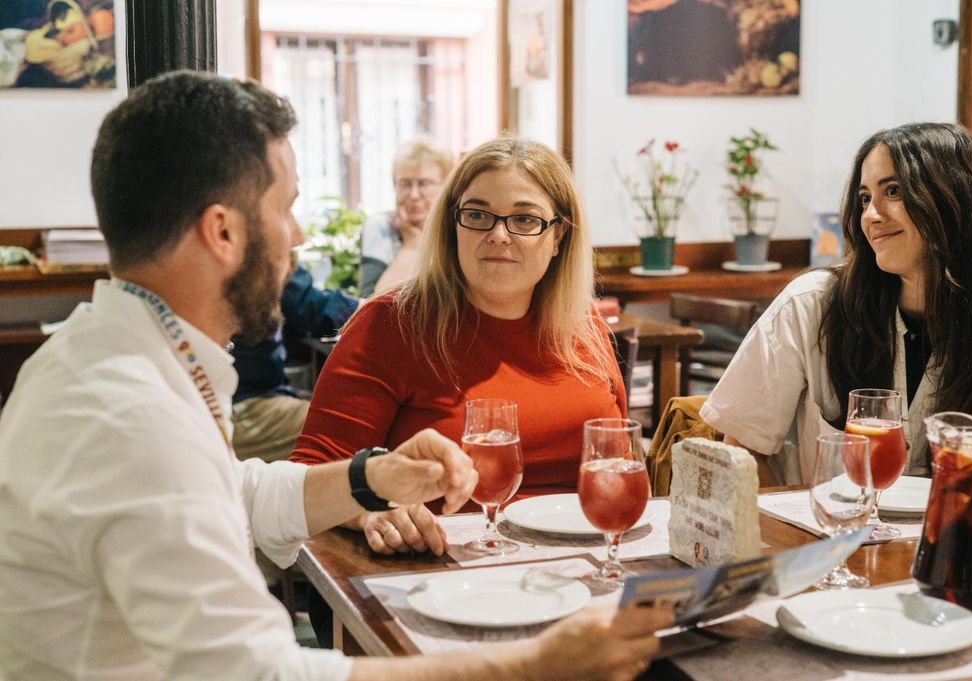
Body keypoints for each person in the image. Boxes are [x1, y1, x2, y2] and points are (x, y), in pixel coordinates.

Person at [0, 70, 672, 681]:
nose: (295, 236)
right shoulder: (125, 411)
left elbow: (240, 490)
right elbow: (260, 674)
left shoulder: (126, 360)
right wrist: (532, 664)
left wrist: (371, 478)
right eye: (285, 207)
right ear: (222, 231)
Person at [292, 136, 628, 554]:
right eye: (478, 215)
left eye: (525, 219)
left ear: (558, 236)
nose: (499, 235)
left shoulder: (585, 324)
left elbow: (622, 460)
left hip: (583, 559)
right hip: (436, 562)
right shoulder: (391, 324)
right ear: (453, 225)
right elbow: (307, 477)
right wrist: (367, 512)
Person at [700, 122, 972, 486]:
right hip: (825, 535)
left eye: (894, 191)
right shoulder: (811, 305)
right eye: (865, 197)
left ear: (955, 202)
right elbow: (741, 451)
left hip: (954, 538)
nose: (870, 215)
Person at [231, 264, 359, 462]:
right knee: (356, 427)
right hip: (245, 405)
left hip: (239, 398)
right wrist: (371, 309)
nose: (298, 237)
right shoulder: (257, 255)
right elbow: (310, 306)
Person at [357, 138, 455, 297]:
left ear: (446, 186)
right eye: (405, 184)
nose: (414, 195)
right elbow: (370, 303)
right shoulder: (380, 227)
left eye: (424, 183)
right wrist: (412, 245)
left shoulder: (459, 227)